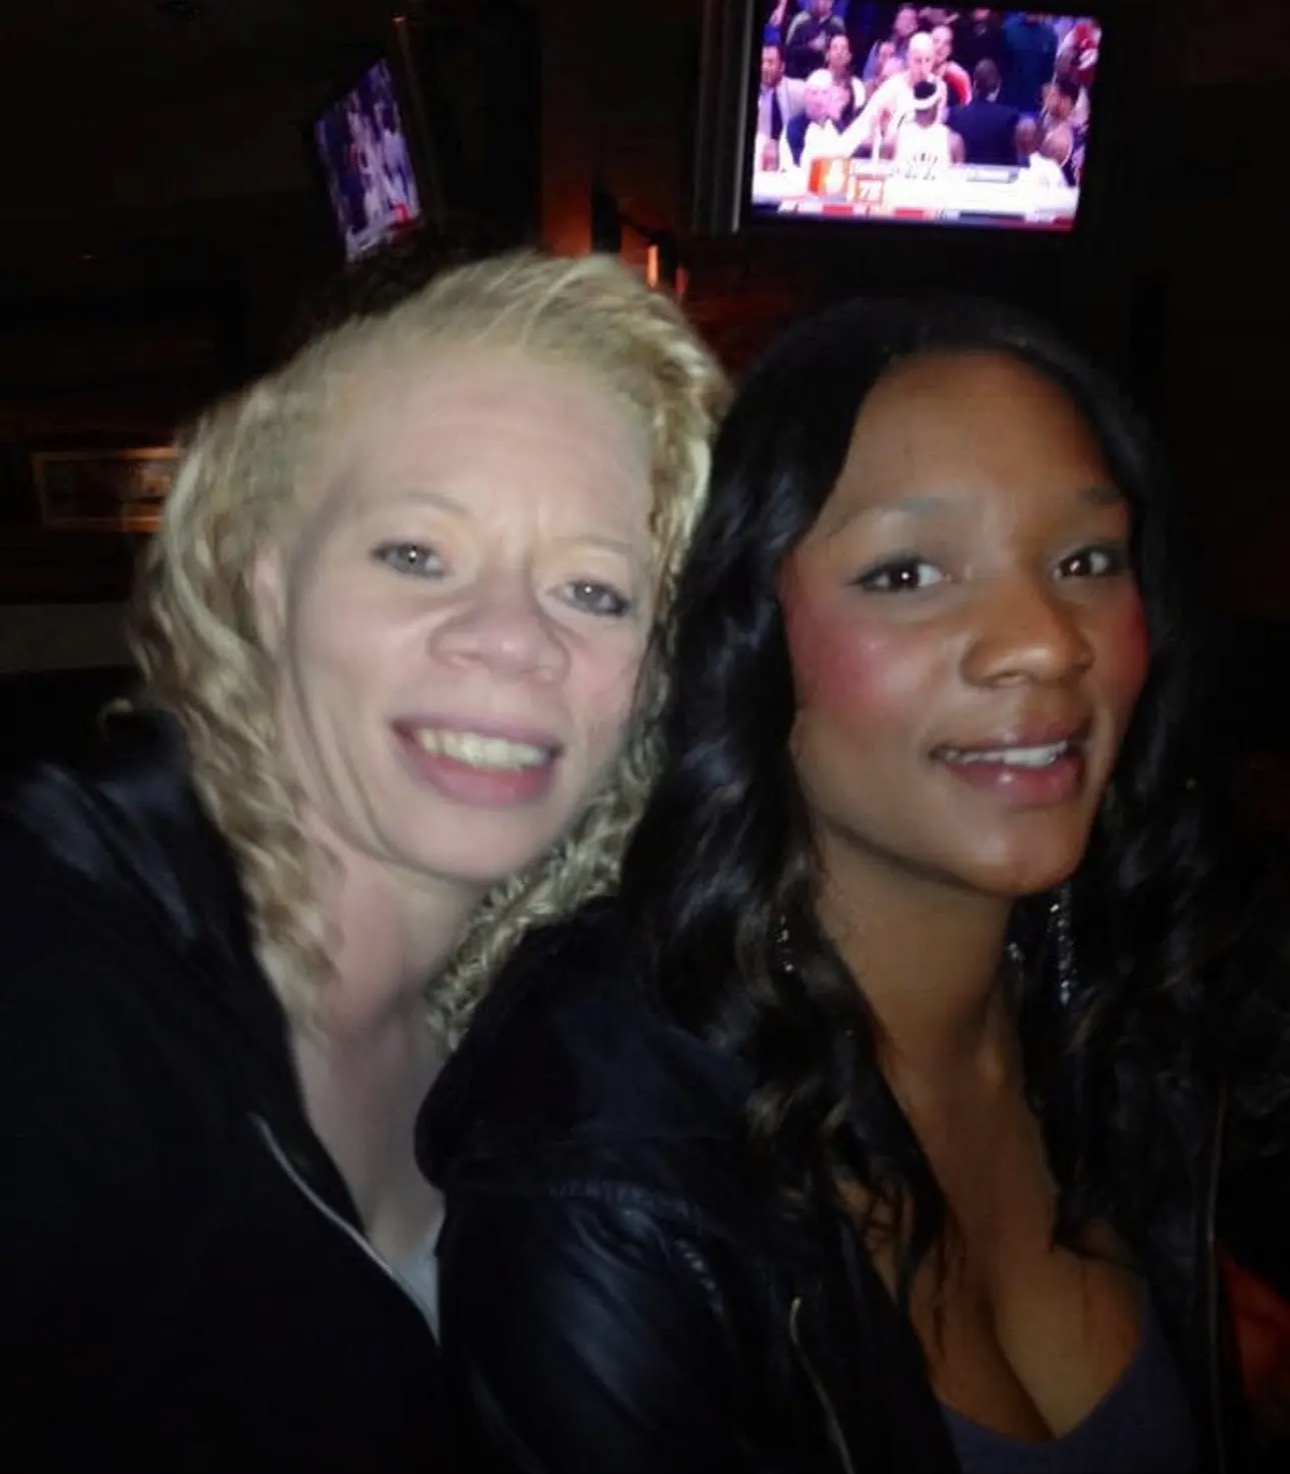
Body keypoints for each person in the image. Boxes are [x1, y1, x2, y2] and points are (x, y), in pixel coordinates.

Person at [421, 294, 1290, 1472]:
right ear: (748, 639)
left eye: (1087, 559)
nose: (1046, 640)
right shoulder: (605, 1181)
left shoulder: (1144, 998)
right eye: (907, 571)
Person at [0, 249, 726, 1469]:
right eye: (417, 555)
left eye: (595, 591)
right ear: (268, 583)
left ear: (651, 678)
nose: (511, 638)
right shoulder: (55, 976)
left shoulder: (538, 1026)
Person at [948, 57, 1021, 166]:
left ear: (974, 84)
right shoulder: (1010, 116)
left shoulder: (955, 114)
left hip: (966, 175)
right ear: (998, 86)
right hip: (999, 175)